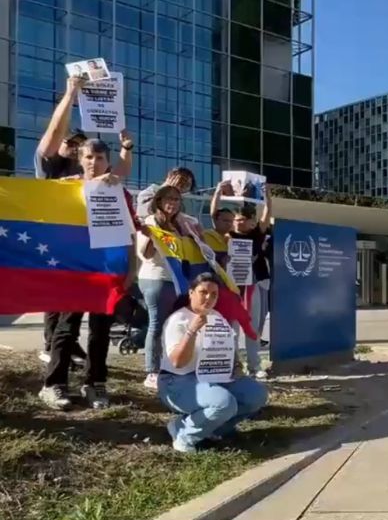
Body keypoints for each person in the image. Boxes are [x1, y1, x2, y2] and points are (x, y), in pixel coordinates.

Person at [37, 139, 137, 410]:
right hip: (74, 270)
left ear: (108, 161)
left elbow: (129, 233)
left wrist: (132, 268)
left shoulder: (120, 193)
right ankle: (54, 385)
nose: (95, 162)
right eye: (89, 157)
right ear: (80, 159)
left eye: (101, 157)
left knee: (101, 331)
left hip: (107, 271)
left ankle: (95, 383)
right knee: (66, 328)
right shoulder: (65, 187)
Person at [159, 273, 269, 453]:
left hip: (211, 375)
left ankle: (214, 430)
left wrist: (235, 365)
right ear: (191, 293)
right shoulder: (178, 320)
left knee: (256, 395)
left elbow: (224, 347)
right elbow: (178, 362)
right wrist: (191, 331)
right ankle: (184, 434)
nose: (209, 298)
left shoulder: (216, 315)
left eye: (214, 294)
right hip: (177, 381)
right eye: (203, 292)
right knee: (224, 403)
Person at [219, 183, 273, 379]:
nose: (238, 223)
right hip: (232, 288)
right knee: (231, 328)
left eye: (242, 219)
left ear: (251, 221)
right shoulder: (226, 236)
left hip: (253, 286)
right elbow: (214, 213)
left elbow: (266, 215)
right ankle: (233, 364)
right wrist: (218, 193)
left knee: (252, 326)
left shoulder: (257, 235)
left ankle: (254, 365)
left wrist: (267, 196)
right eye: (236, 219)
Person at [138, 185, 185, 390]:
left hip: (175, 280)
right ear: (158, 201)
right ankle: (152, 371)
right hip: (155, 278)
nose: (173, 203)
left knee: (170, 326)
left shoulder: (178, 226)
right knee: (156, 325)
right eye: (169, 198)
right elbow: (146, 255)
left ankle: (167, 367)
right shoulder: (150, 222)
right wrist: (150, 235)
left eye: (176, 199)